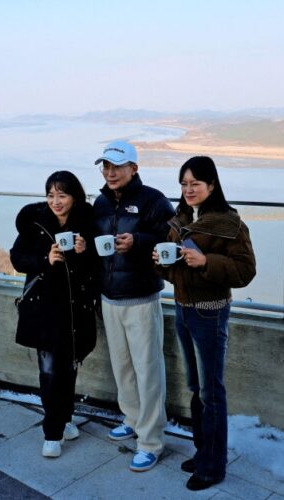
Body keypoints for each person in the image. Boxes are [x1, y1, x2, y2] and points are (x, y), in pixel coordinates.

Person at [154, 156, 256, 491]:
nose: (188, 190)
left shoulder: (230, 224)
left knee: (212, 391)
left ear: (211, 185)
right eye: (184, 184)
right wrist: (161, 262)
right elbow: (172, 270)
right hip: (183, 308)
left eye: (195, 184)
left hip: (210, 312)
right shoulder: (180, 218)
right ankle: (202, 453)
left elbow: (245, 271)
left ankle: (213, 466)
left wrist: (206, 261)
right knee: (196, 388)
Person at [92, 140, 175, 472]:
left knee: (148, 371)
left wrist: (139, 242)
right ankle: (133, 418)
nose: (110, 173)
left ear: (134, 168)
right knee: (123, 367)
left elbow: (173, 241)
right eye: (106, 166)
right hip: (109, 297)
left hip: (142, 298)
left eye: (117, 166)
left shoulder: (153, 201)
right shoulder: (99, 202)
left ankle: (151, 440)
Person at [10, 171, 98, 459]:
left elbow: (97, 267)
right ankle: (51, 432)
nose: (55, 201)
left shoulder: (87, 222)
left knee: (70, 366)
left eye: (62, 195)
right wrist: (44, 260)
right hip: (45, 309)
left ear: (75, 196)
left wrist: (86, 251)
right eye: (50, 195)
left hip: (75, 309)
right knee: (49, 372)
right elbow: (17, 258)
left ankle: (66, 418)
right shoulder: (36, 223)